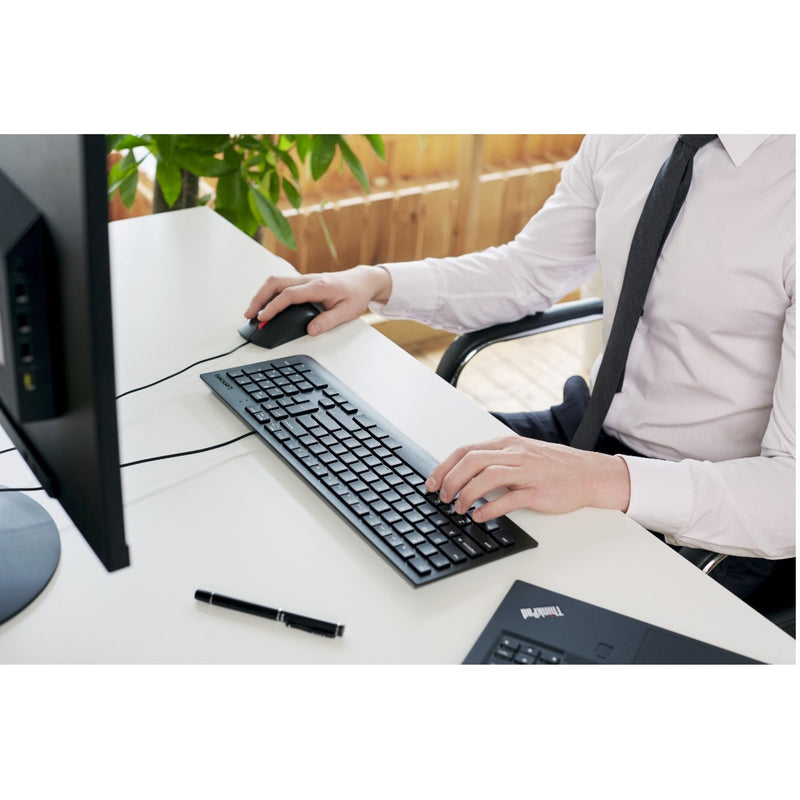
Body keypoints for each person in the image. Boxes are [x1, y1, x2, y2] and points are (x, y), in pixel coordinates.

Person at [244, 134, 795, 598]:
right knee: (371, 491)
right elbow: (528, 272)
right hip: (582, 433)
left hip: (713, 515)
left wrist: (604, 480)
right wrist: (378, 282)